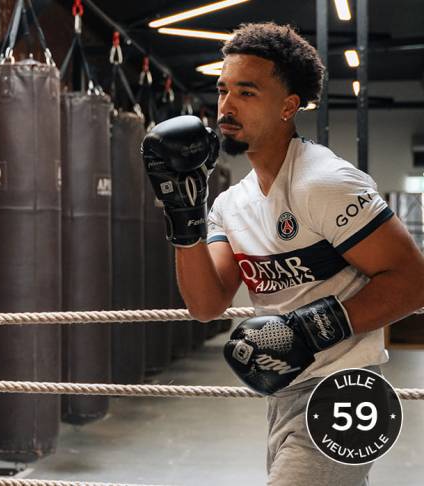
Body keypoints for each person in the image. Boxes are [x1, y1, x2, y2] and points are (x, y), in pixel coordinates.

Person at [142, 22, 424, 486]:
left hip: (345, 391)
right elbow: (206, 304)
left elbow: (413, 282)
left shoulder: (324, 183)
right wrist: (182, 214)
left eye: (247, 93)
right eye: (223, 90)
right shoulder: (231, 205)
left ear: (288, 106)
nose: (227, 107)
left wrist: (308, 330)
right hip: (283, 393)